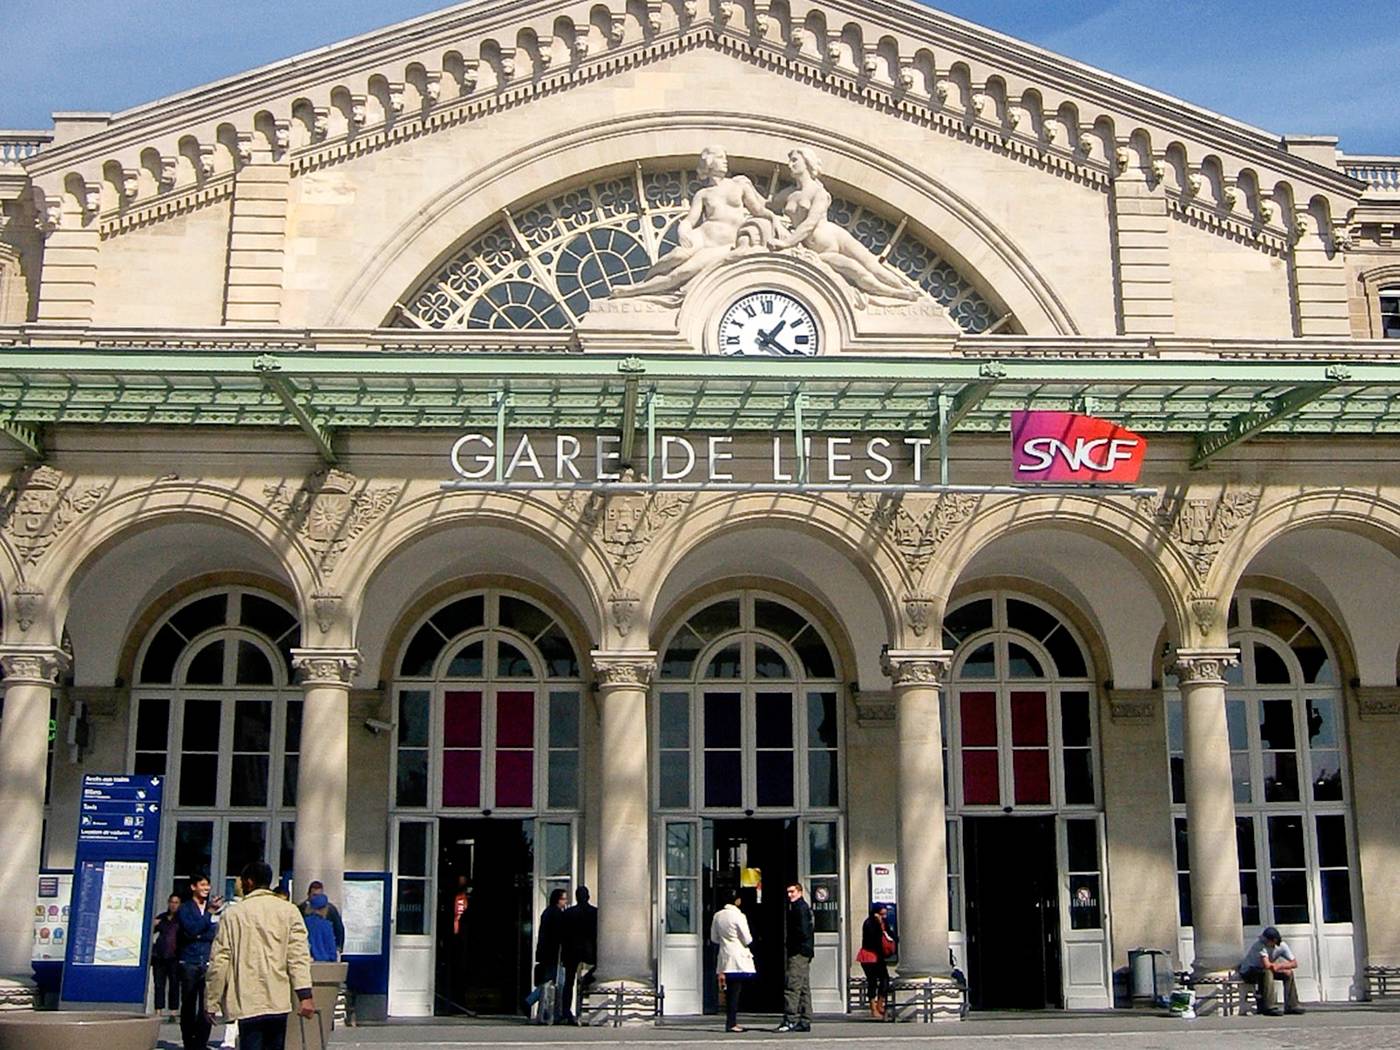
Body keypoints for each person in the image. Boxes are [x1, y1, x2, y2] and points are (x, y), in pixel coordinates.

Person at [759, 148, 921, 301]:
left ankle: (903, 288)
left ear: (807, 162)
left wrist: (787, 242)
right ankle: (897, 294)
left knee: (872, 265)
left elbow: (810, 223)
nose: (790, 165)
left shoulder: (819, 193)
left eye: (794, 160)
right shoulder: (788, 194)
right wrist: (746, 187)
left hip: (835, 236)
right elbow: (765, 206)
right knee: (856, 270)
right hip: (819, 251)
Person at [613, 146, 770, 297]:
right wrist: (682, 231)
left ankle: (636, 290)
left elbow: (758, 210)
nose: (725, 161)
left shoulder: (738, 186)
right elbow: (690, 220)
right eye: (720, 157)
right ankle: (644, 281)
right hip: (703, 237)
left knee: (682, 272)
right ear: (709, 162)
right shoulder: (703, 194)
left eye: (725, 158)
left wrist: (774, 221)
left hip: (724, 245)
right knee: (677, 255)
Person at [206, 860, 315, 1050]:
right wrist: (304, 994)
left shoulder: (232, 915)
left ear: (249, 882)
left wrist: (211, 1001)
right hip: (278, 997)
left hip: (246, 997)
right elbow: (298, 956)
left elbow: (220, 961)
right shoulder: (289, 911)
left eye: (241, 881)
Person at [176, 872, 223, 1050]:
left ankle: (202, 1042)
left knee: (207, 1004)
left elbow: (214, 933)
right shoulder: (185, 908)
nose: (206, 888)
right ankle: (189, 1042)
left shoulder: (214, 909)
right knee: (188, 1003)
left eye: (207, 885)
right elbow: (191, 930)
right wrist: (207, 916)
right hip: (189, 961)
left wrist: (202, 930)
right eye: (202, 885)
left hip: (208, 960)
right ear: (193, 887)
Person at [709, 891, 756, 1033]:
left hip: (725, 955)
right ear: (737, 901)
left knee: (729, 991)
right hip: (738, 956)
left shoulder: (718, 916)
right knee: (736, 990)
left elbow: (714, 938)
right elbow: (747, 939)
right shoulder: (739, 916)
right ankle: (732, 1022)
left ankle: (730, 1020)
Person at [1238, 925, 1305, 1016]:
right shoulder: (1260, 946)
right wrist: (1277, 967)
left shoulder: (1282, 946)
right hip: (1248, 971)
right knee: (1267, 972)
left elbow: (1294, 963)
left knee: (1288, 974)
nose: (1264, 941)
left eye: (1267, 940)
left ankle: (1291, 1005)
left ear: (1274, 941)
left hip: (1264, 970)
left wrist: (1280, 966)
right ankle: (1269, 1006)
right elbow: (1267, 965)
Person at [527, 888, 569, 1023]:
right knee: (555, 982)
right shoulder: (557, 914)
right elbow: (559, 935)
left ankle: (535, 1004)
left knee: (549, 982)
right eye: (563, 899)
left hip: (546, 953)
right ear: (558, 900)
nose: (565, 902)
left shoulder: (547, 912)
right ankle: (535, 1004)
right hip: (554, 954)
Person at [777, 882, 814, 1032]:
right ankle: (805, 1019)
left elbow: (803, 931)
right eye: (788, 892)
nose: (789, 895)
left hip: (798, 952)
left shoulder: (799, 908)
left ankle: (790, 1019)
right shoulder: (801, 907)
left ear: (800, 891)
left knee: (792, 985)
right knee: (804, 987)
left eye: (792, 891)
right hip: (804, 951)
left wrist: (795, 946)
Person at [560, 885, 598, 1025]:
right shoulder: (594, 912)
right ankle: (585, 982)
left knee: (568, 982)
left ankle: (566, 1011)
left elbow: (563, 935)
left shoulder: (568, 913)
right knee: (599, 967)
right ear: (588, 897)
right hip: (588, 949)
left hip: (572, 950)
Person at [856, 904, 895, 1019]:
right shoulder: (869, 923)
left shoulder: (884, 923)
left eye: (885, 914)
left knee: (885, 979)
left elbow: (890, 935)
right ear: (875, 913)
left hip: (879, 956)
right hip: (869, 956)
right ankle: (873, 1008)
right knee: (872, 981)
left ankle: (880, 1003)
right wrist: (878, 925)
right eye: (882, 914)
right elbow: (872, 940)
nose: (884, 916)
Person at [151, 893, 183, 1022]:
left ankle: (173, 1011)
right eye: (171, 902)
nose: (173, 905)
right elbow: (151, 931)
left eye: (176, 903)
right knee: (159, 984)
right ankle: (158, 1010)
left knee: (174, 984)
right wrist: (154, 924)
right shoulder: (162, 917)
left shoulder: (181, 919)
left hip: (175, 956)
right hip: (159, 956)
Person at [301, 881, 345, 957]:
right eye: (314, 895)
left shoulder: (331, 910)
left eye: (319, 895)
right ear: (308, 895)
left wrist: (338, 947)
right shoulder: (301, 909)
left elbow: (339, 929)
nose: (317, 899)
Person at [304, 893, 339, 963]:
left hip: (308, 961)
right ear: (325, 908)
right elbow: (331, 948)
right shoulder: (327, 925)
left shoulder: (304, 922)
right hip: (326, 962)